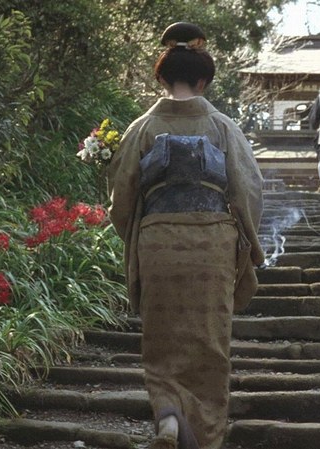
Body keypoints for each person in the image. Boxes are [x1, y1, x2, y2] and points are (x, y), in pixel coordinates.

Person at [107, 22, 264, 449]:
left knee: (161, 341)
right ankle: (204, 436)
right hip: (212, 243)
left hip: (158, 241)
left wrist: (140, 235)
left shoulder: (141, 128)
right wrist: (249, 246)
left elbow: (121, 199)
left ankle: (169, 419)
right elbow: (248, 190)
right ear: (203, 81)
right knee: (210, 344)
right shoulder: (223, 127)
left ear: (161, 78)